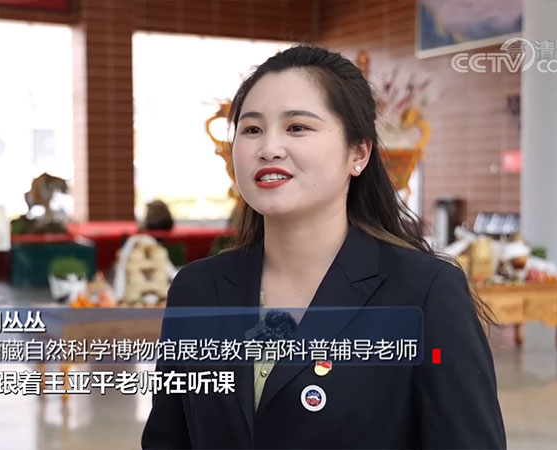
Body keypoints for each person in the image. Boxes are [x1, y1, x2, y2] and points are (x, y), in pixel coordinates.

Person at [141, 45, 506, 449]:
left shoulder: (425, 292)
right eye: (252, 129)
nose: (269, 148)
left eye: (297, 127)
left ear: (358, 153)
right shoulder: (196, 290)